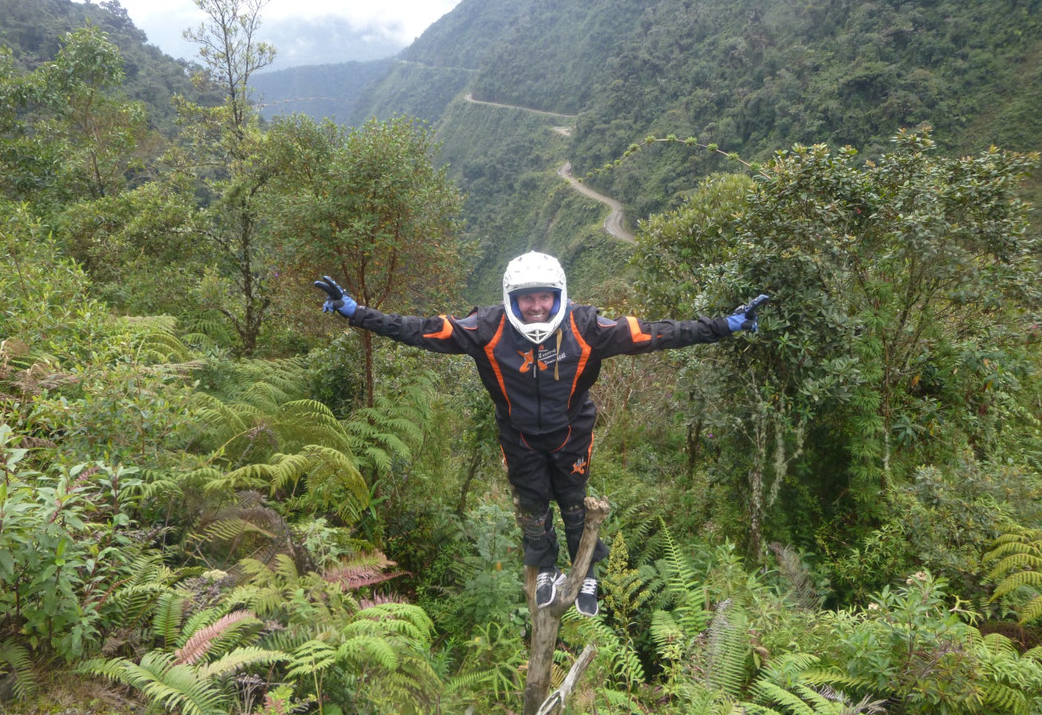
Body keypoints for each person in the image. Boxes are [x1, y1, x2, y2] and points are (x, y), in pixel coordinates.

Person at [315, 251, 767, 617]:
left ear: (559, 296)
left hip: (571, 431)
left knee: (574, 502)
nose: (536, 307)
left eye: (544, 298)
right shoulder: (485, 328)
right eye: (526, 298)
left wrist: (724, 326)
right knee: (533, 506)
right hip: (518, 435)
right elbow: (418, 329)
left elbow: (659, 334)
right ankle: (545, 568)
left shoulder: (587, 327)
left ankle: (587, 570)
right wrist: (356, 313)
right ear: (512, 299)